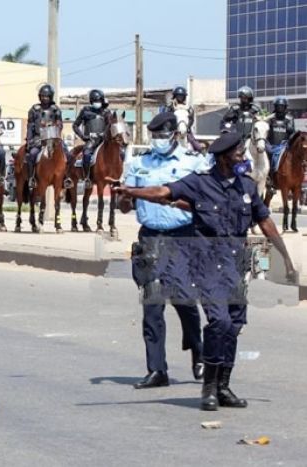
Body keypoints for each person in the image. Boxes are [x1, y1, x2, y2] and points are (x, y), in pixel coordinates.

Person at [114, 131, 297, 411]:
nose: (243, 157)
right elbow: (164, 191)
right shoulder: (199, 183)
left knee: (234, 326)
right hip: (207, 264)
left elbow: (265, 222)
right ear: (224, 157)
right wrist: (131, 191)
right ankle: (208, 389)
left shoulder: (246, 187)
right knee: (219, 322)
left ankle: (223, 387)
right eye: (238, 153)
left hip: (236, 265)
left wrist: (285, 257)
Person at [118, 113, 205, 389]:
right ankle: (157, 369)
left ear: (174, 135)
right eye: (153, 136)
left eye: (162, 136)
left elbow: (201, 201)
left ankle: (199, 352)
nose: (157, 141)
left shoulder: (192, 163)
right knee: (152, 306)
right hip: (150, 238)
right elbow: (125, 205)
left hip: (182, 239)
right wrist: (123, 197)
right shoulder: (137, 164)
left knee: (184, 301)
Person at [26, 84, 68, 189]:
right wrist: (29, 140)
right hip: (38, 139)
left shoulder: (55, 109)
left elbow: (60, 124)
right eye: (43, 96)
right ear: (40, 96)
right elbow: (30, 126)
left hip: (53, 138)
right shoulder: (34, 109)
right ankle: (32, 178)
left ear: (51, 97)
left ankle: (66, 177)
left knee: (67, 154)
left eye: (47, 96)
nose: (45, 98)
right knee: (32, 154)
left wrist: (57, 125)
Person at [73, 89, 113, 188]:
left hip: (104, 141)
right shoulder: (85, 111)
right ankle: (87, 178)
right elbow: (75, 125)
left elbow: (110, 125)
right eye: (95, 101)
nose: (97, 103)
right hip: (91, 140)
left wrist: (104, 133)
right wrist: (83, 136)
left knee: (120, 153)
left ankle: (116, 176)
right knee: (86, 154)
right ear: (91, 101)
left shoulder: (106, 112)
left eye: (99, 101)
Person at [163, 86, 203, 153]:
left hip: (185, 129)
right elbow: (167, 118)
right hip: (173, 130)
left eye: (181, 96)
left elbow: (191, 119)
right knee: (164, 144)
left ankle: (201, 154)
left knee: (196, 145)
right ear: (175, 96)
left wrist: (188, 126)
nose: (180, 98)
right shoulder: (170, 107)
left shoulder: (188, 107)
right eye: (178, 96)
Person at [266, 96, 295, 180]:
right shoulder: (270, 118)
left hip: (284, 146)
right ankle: (268, 178)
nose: (280, 108)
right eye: (278, 106)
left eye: (282, 106)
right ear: (275, 107)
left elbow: (293, 134)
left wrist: (290, 129)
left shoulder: (290, 118)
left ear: (285, 107)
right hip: (271, 146)